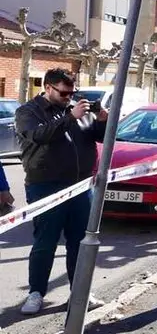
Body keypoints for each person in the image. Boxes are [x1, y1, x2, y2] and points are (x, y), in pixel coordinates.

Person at [14, 69, 108, 315]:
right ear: (47, 87)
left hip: (79, 185)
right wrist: (70, 117)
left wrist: (102, 119)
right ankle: (36, 293)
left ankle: (80, 293)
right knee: (45, 241)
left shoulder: (76, 109)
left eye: (72, 93)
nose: (69, 97)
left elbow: (98, 137)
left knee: (80, 241)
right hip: (46, 184)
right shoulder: (28, 112)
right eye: (64, 93)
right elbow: (39, 136)